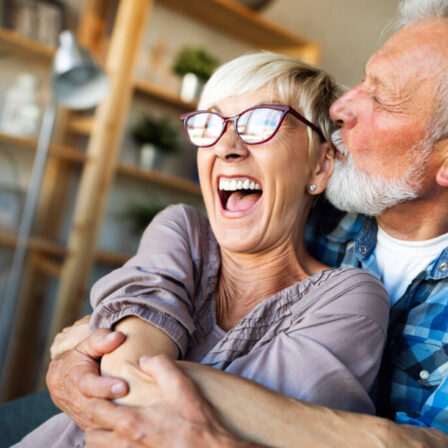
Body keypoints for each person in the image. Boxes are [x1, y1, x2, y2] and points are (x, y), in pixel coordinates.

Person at [14, 53, 391, 447]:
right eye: (210, 124)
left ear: (320, 165)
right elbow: (132, 379)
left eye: (262, 122)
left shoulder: (351, 298)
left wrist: (93, 346)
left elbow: (279, 426)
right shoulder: (182, 231)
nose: (226, 147)